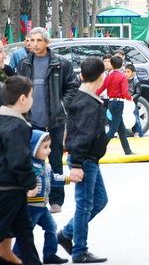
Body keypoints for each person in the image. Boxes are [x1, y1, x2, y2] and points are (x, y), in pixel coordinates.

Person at [16, 27, 79, 214]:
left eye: (38, 40)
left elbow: (72, 87)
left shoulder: (60, 64)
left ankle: (56, 200)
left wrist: (61, 104)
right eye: (31, 40)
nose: (34, 44)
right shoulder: (24, 64)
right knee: (31, 161)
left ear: (47, 42)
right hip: (31, 121)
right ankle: (33, 197)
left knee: (56, 160)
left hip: (54, 121)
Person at [58, 57, 111, 263]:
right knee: (84, 205)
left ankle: (66, 234)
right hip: (84, 160)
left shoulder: (88, 99)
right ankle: (79, 251)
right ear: (101, 76)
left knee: (99, 200)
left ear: (81, 76)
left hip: (90, 160)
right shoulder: (86, 102)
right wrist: (77, 164)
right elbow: (80, 136)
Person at [0, 76, 41, 265]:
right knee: (19, 234)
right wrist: (31, 182)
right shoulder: (17, 125)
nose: (33, 100)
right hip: (9, 188)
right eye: (31, 95)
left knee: (25, 233)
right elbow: (18, 160)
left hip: (10, 188)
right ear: (23, 99)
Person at [23, 131, 69, 264]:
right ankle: (17, 256)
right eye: (45, 147)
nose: (49, 150)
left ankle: (49, 255)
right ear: (33, 148)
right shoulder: (28, 167)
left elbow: (53, 179)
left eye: (49, 146)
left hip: (42, 207)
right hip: (31, 207)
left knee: (51, 227)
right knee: (25, 234)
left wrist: (68, 179)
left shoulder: (46, 166)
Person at [95, 56, 133, 156]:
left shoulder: (109, 76)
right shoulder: (122, 77)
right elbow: (125, 92)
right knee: (113, 129)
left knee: (121, 128)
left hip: (111, 102)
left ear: (111, 65)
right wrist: (130, 98)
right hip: (119, 103)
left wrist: (93, 94)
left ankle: (127, 150)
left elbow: (101, 89)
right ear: (122, 65)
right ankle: (99, 147)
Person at [123, 65, 143, 137]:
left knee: (135, 118)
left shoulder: (136, 81)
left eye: (128, 72)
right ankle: (122, 133)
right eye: (125, 71)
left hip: (132, 103)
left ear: (133, 72)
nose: (126, 73)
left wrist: (132, 97)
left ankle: (137, 132)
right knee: (124, 118)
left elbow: (138, 93)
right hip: (125, 102)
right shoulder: (123, 80)